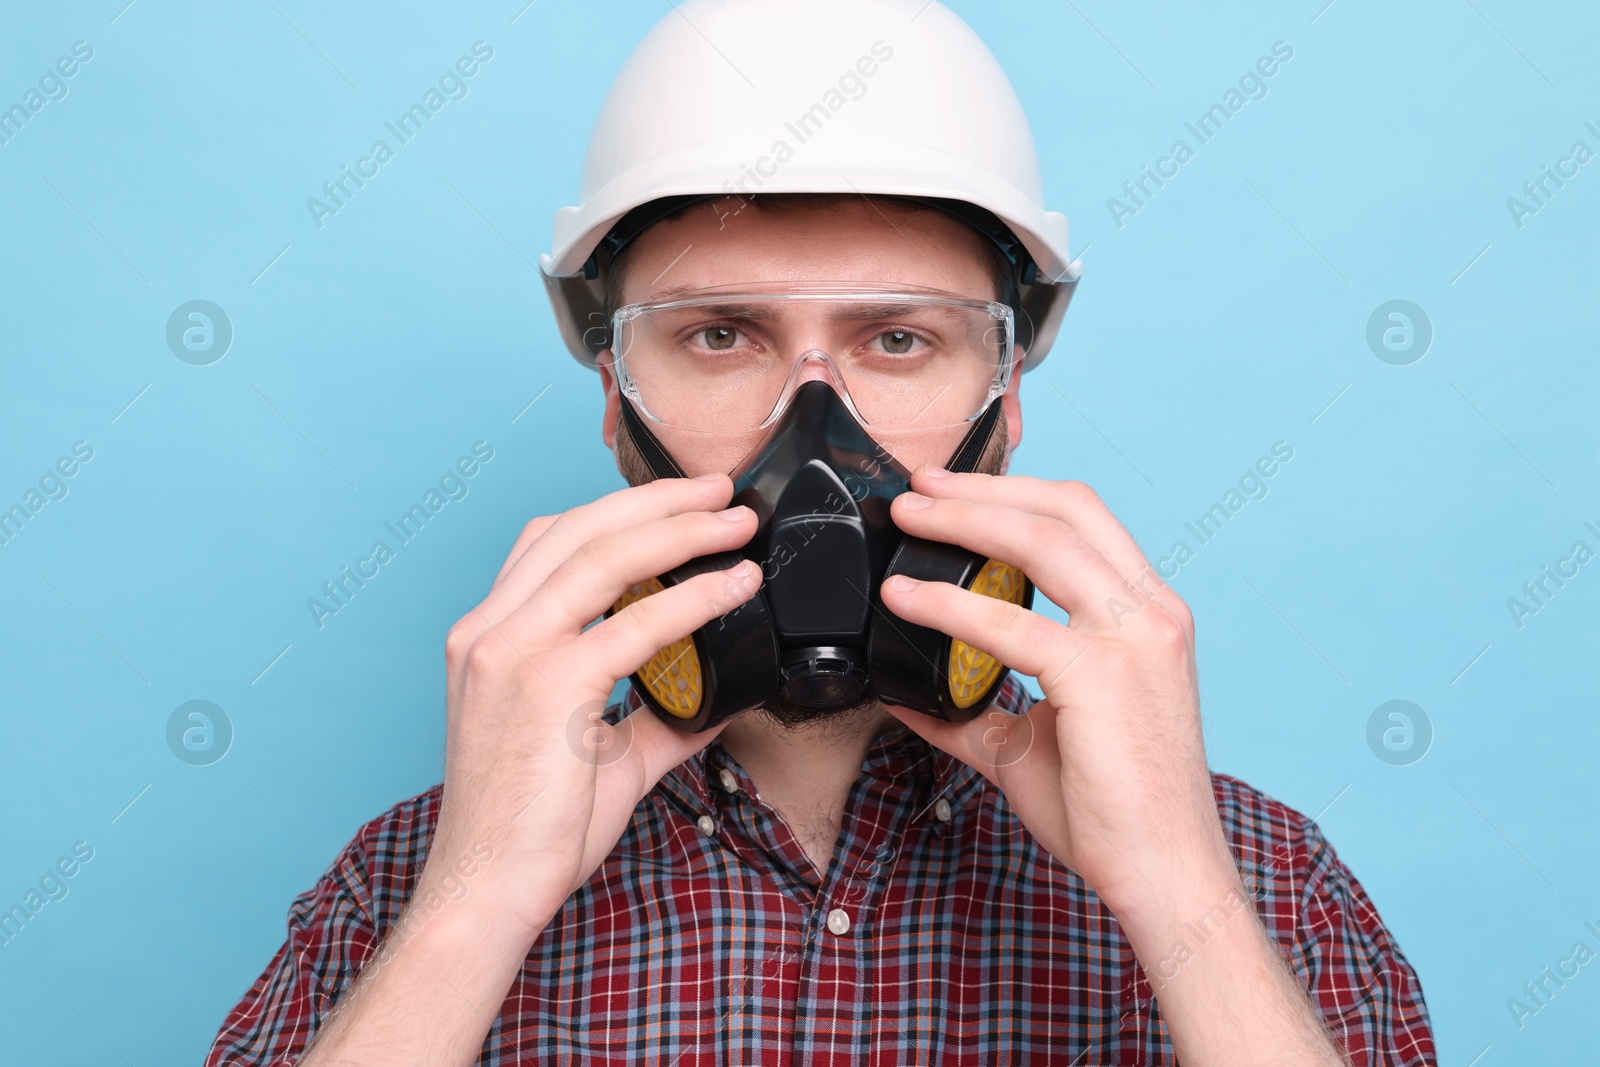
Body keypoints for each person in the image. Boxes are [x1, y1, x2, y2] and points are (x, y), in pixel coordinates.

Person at [207, 2, 1435, 1063]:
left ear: (1004, 402)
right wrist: (471, 914)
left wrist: (1180, 894)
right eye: (717, 334)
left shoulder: (1260, 879)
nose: (811, 426)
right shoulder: (413, 882)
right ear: (611, 402)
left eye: (898, 339)